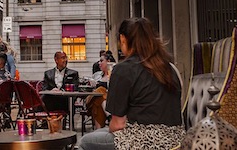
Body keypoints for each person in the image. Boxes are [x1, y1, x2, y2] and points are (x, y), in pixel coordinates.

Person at [79, 17, 185, 150]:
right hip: (175, 139)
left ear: (123, 39)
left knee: (85, 142)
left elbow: (117, 124)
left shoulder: (123, 69)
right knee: (98, 133)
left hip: (145, 141)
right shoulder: (170, 68)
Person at [86, 53, 115, 129]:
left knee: (98, 102)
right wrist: (92, 85)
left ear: (108, 62)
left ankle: (98, 130)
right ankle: (108, 114)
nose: (99, 63)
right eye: (99, 61)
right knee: (101, 90)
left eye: (101, 61)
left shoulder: (114, 75)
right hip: (91, 100)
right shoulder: (96, 75)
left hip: (107, 102)